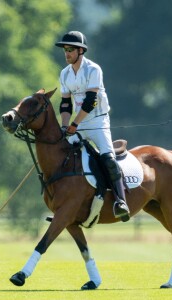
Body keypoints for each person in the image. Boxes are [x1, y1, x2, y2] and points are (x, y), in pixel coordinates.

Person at [55, 31, 130, 222]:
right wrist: (65, 126)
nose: (67, 53)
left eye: (70, 50)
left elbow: (90, 102)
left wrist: (74, 124)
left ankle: (121, 201)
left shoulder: (93, 69)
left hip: (98, 121)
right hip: (76, 124)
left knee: (108, 159)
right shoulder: (64, 74)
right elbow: (65, 104)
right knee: (61, 155)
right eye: (65, 50)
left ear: (81, 51)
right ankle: (61, 203)